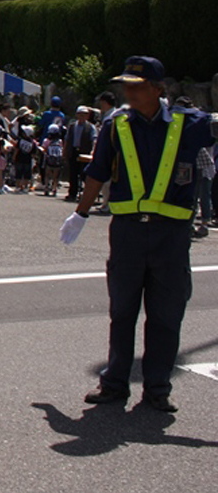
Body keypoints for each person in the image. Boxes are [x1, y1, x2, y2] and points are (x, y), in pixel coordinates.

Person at [60, 56, 218, 413]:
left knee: (166, 315)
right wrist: (80, 214)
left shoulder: (190, 123)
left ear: (158, 90)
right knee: (123, 312)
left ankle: (157, 389)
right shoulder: (117, 126)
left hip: (172, 236)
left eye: (136, 85)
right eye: (125, 85)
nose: (128, 92)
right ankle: (115, 383)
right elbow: (97, 172)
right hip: (128, 233)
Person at [64, 105, 97, 202]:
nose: (82, 117)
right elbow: (67, 139)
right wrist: (65, 150)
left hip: (84, 152)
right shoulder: (72, 126)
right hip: (73, 151)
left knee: (84, 174)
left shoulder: (90, 127)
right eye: (80, 114)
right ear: (77, 115)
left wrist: (93, 150)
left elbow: (94, 139)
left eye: (84, 115)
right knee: (73, 173)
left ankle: (85, 194)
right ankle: (72, 194)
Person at [41, 124, 65, 196]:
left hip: (48, 160)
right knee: (55, 176)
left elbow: (44, 149)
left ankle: (46, 188)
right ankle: (54, 189)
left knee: (47, 175)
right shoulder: (60, 141)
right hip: (57, 161)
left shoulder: (46, 141)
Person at [13, 125, 37, 193]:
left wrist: (14, 157)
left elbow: (16, 149)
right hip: (28, 160)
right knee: (27, 174)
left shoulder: (20, 140)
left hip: (19, 158)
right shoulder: (33, 143)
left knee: (19, 173)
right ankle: (25, 187)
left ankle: (18, 186)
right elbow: (33, 154)